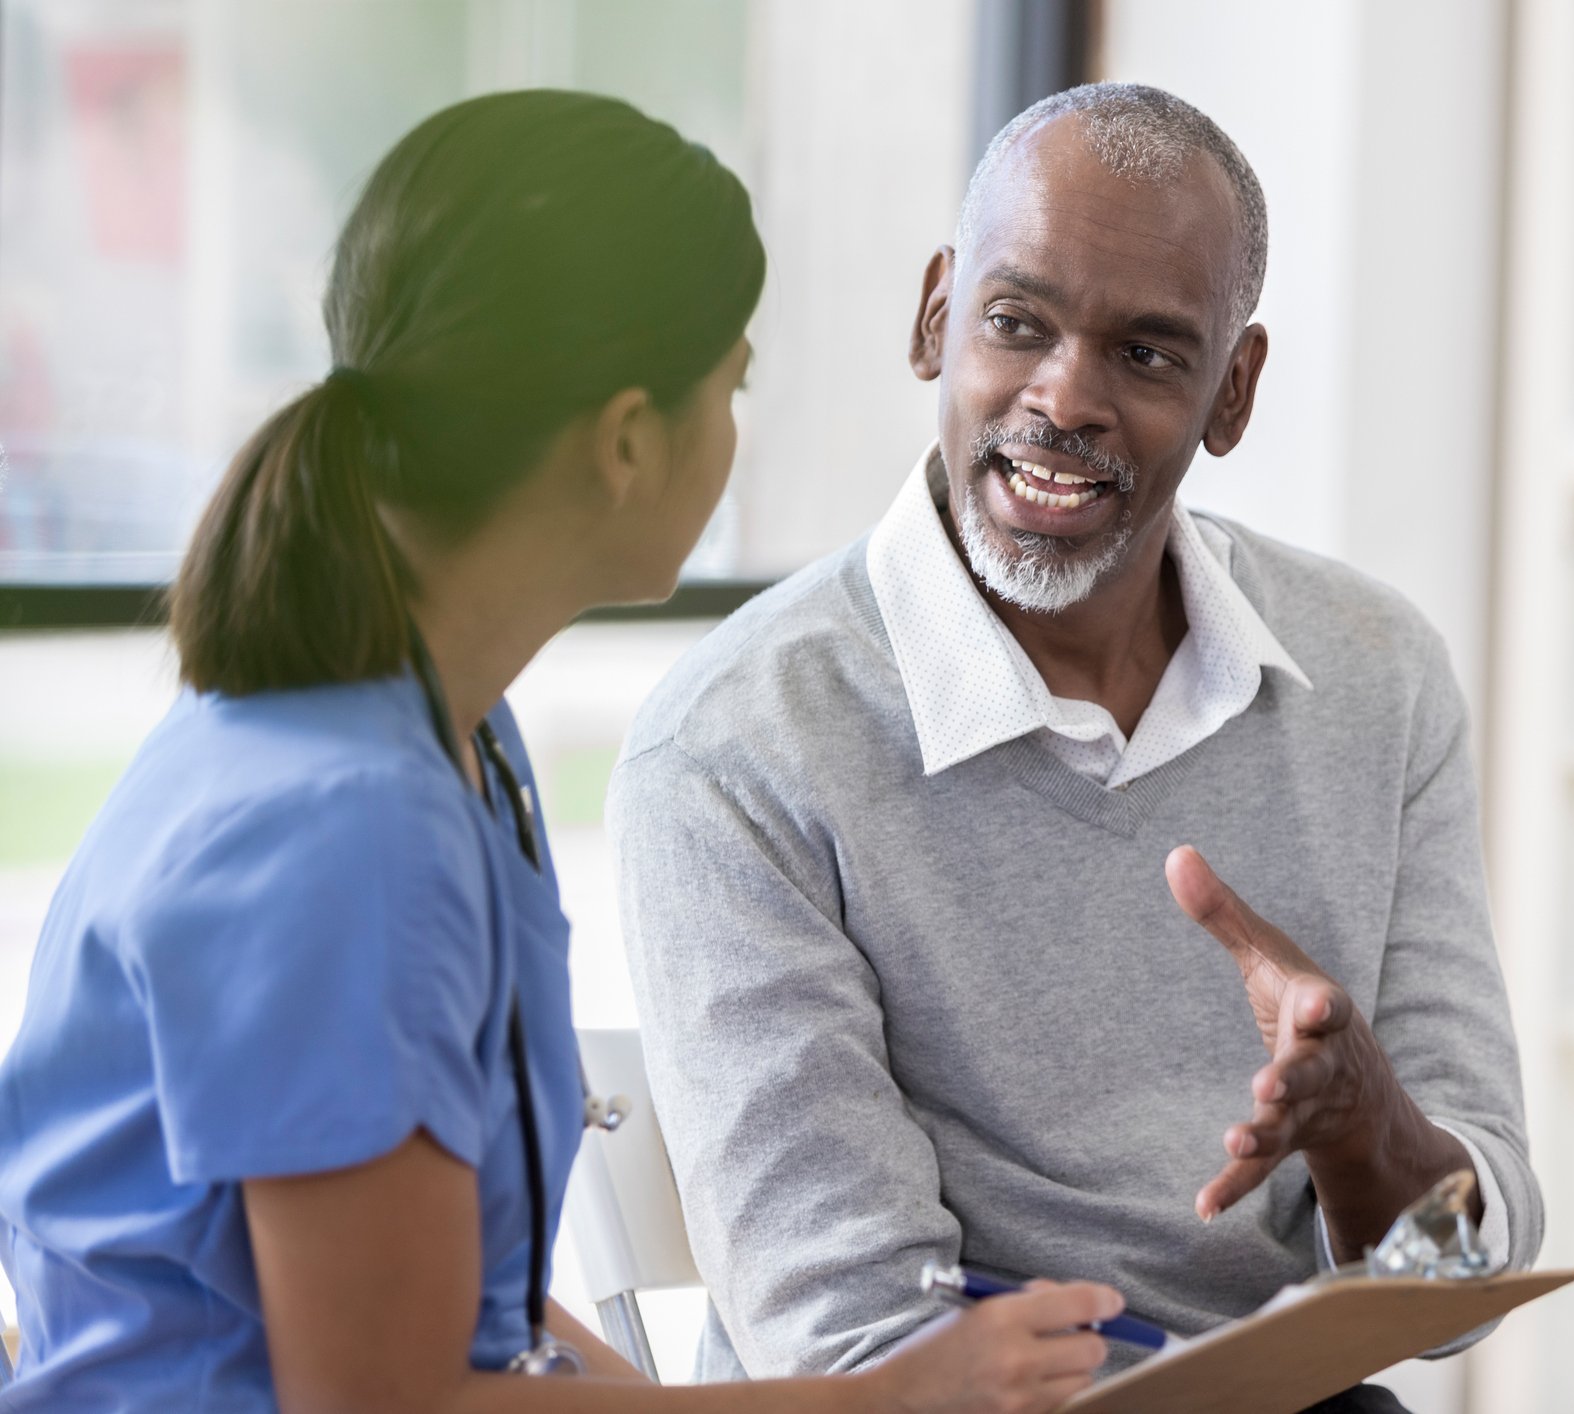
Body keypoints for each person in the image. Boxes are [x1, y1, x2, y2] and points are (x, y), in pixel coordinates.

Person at [0, 89, 1121, 1413]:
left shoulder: (453, 736)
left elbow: (442, 1286)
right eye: (732, 386)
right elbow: (386, 1402)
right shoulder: (343, 834)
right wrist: (877, 1400)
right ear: (630, 441)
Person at [609, 83, 1542, 1414]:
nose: (1064, 398)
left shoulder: (1372, 676)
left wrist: (1363, 1125)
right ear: (937, 314)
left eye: (1148, 356)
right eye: (1015, 323)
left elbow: (1461, 1274)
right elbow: (847, 1342)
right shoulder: (737, 745)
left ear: (1234, 389)